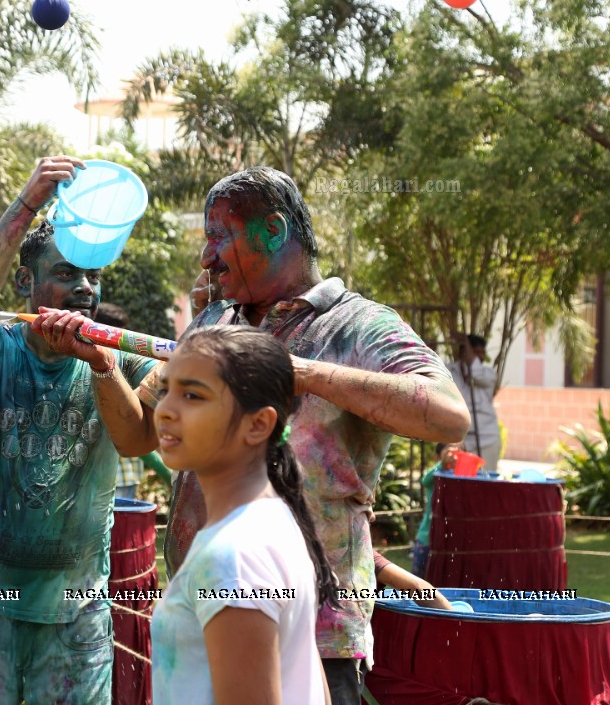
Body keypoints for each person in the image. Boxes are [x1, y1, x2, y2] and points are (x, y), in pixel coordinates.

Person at [136, 168, 470, 704]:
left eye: (220, 236)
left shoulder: (357, 325)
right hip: (204, 609)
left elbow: (449, 414)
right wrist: (99, 366)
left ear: (273, 229)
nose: (207, 258)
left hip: (316, 633)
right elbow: (136, 433)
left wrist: (302, 372)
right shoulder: (215, 321)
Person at [0, 155, 159, 705]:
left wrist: (101, 364)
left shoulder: (124, 360)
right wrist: (27, 204)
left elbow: (137, 439)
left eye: (91, 275)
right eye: (65, 274)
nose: (84, 288)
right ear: (26, 282)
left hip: (76, 613)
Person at [151, 325, 335, 704]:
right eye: (165, 389)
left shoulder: (234, 557)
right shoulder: (272, 521)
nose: (166, 410)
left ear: (258, 424)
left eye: (192, 395)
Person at [93, 302, 168, 501]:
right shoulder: (98, 370)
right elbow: (135, 431)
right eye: (118, 335)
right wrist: (165, 472)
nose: (123, 343)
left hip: (128, 475)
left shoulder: (126, 363)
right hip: (112, 477)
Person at [449, 332, 501, 471]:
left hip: (487, 439)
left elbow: (475, 372)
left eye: (482, 353)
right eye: (475, 352)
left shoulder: (488, 374)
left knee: (485, 484)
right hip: (461, 439)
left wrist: (466, 341)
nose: (480, 356)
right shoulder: (451, 370)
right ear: (463, 352)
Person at [410, 442, 460, 578]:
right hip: (427, 538)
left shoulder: (460, 477)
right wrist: (442, 465)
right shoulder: (436, 475)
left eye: (459, 452)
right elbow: (425, 481)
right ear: (437, 457)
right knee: (417, 579)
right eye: (449, 453)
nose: (454, 457)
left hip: (448, 541)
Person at [373, 551, 452, 611]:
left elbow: (417, 587)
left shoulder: (367, 557)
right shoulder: (366, 557)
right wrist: (453, 618)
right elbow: (417, 587)